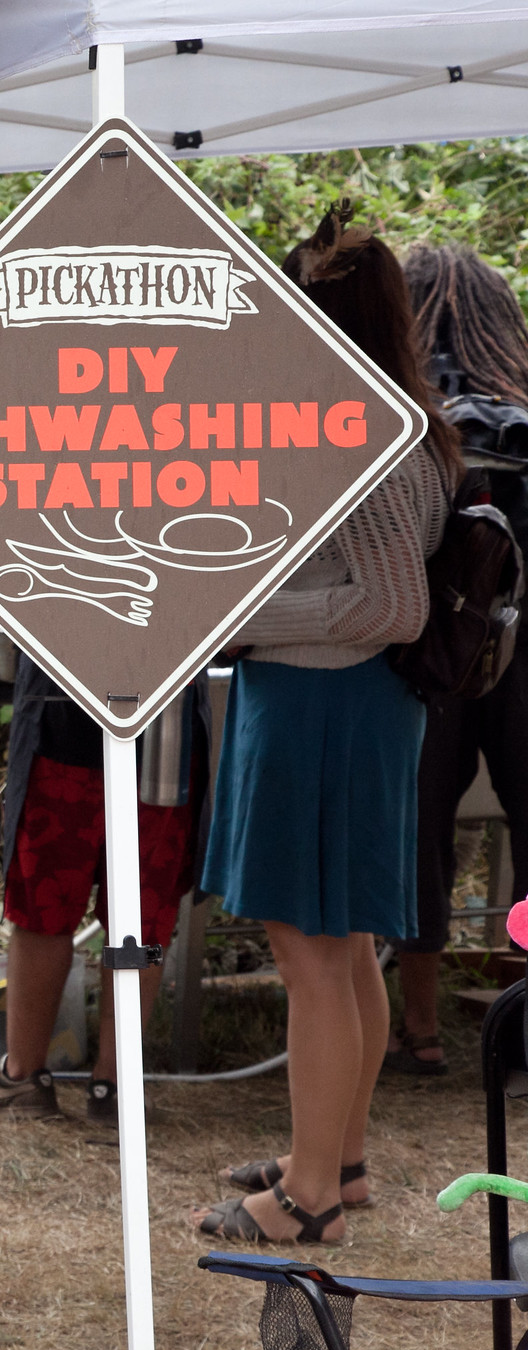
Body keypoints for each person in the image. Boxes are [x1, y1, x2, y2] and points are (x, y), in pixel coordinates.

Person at [190, 212, 460, 1246]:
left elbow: (394, 606)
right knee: (342, 950)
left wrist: (242, 618)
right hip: (338, 707)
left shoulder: (365, 435)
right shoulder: (386, 421)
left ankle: (306, 1201)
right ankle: (336, 1162)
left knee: (312, 955)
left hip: (325, 709)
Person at [386, 243, 528, 1076]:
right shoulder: (520, 407)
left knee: (420, 832)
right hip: (523, 650)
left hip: (433, 650)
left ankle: (422, 1028)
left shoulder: (411, 415)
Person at [0, 656, 200, 1123]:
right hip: (151, 731)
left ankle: (27, 1078)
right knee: (136, 922)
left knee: (51, 912)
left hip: (90, 727)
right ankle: (114, 1085)